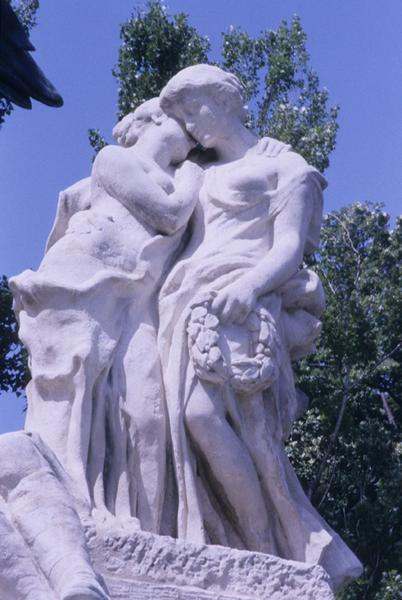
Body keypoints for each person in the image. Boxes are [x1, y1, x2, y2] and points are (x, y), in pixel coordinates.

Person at [157, 64, 362, 588]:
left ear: (227, 100)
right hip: (187, 305)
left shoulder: (287, 168)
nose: (191, 127)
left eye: (195, 109)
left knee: (252, 438)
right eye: (181, 118)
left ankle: (267, 548)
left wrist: (249, 287)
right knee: (192, 420)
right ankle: (257, 547)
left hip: (244, 307)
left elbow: (290, 249)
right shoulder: (196, 174)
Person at [9, 98, 202, 534]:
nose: (192, 128)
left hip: (135, 299)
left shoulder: (186, 181)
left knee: (147, 411)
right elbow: (169, 216)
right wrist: (192, 180)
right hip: (82, 283)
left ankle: (151, 534)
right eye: (180, 118)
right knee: (77, 396)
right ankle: (71, 512)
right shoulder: (114, 159)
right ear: (153, 119)